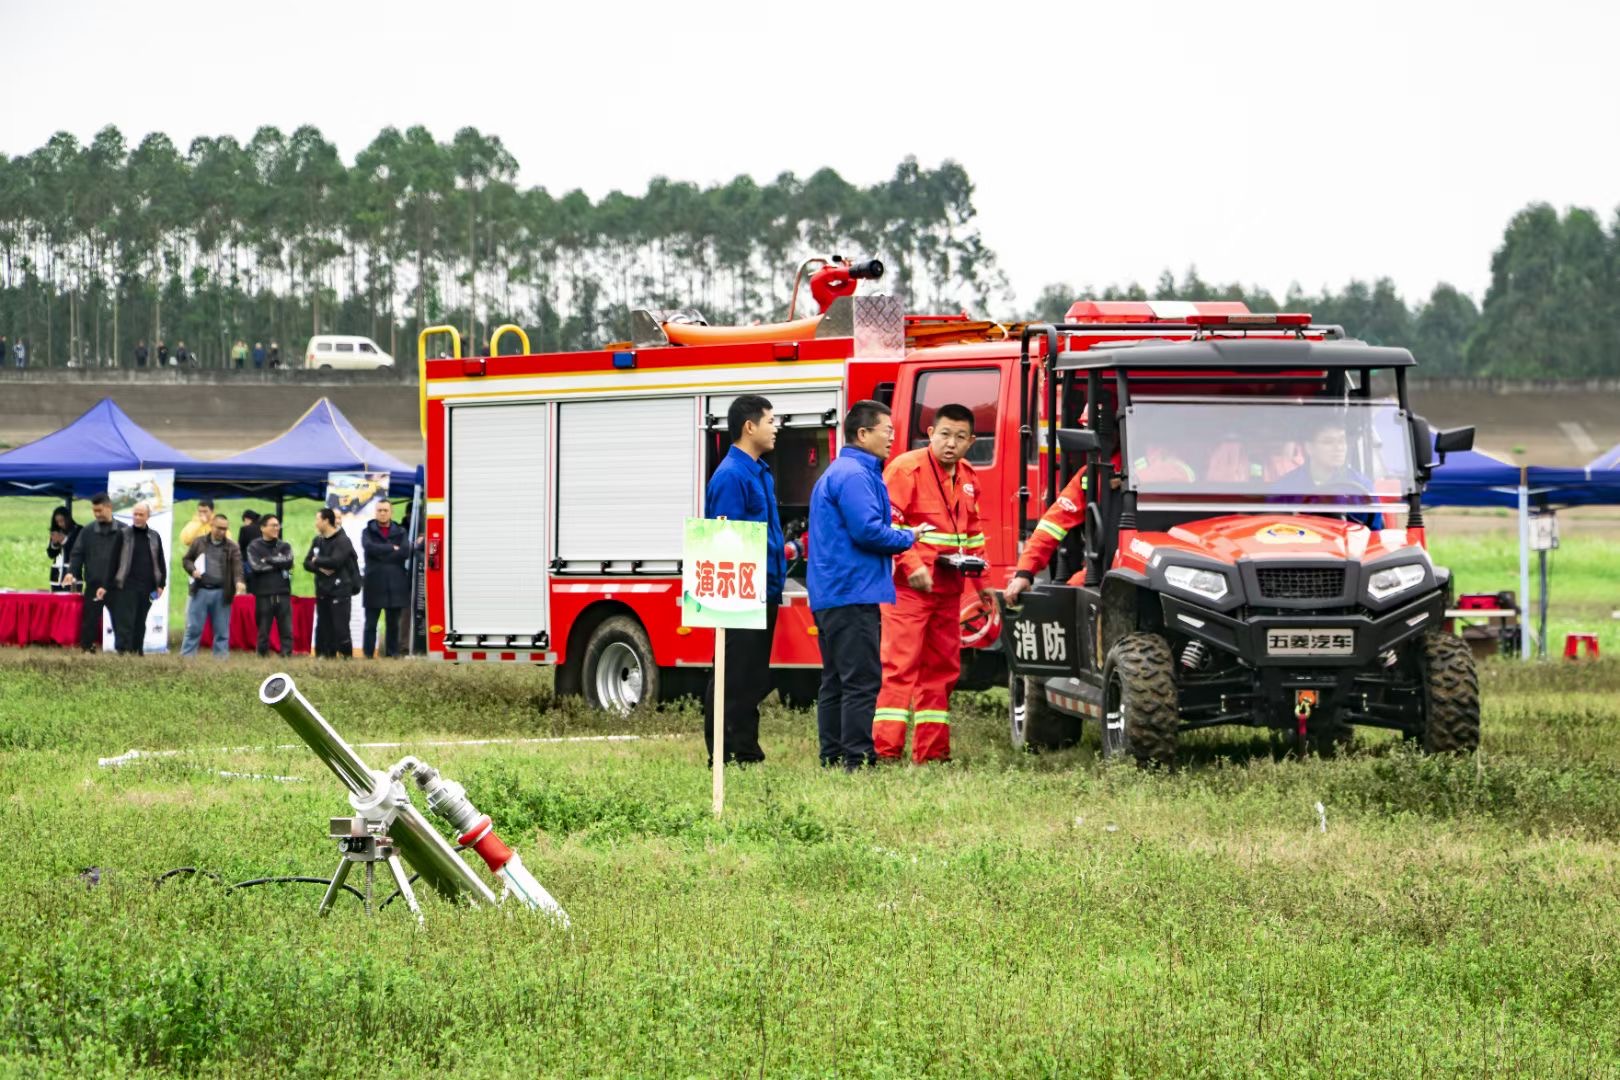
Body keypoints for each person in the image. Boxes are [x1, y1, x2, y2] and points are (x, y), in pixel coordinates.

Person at [807, 400, 920, 771]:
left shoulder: (846, 471)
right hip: (852, 591)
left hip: (834, 592)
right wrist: (908, 536)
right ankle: (858, 758)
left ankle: (833, 755)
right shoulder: (855, 475)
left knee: (837, 679)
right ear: (862, 433)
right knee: (861, 680)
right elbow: (867, 531)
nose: (891, 437)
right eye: (886, 430)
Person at [876, 403, 991, 764]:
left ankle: (932, 754)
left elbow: (973, 534)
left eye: (960, 437)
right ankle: (885, 751)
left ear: (971, 441)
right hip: (910, 590)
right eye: (944, 434)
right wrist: (912, 565)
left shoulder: (970, 477)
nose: (950, 444)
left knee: (942, 671)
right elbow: (888, 526)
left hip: (949, 587)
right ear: (930, 434)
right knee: (900, 668)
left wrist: (983, 583)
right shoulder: (904, 469)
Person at [702, 394, 784, 766]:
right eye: (770, 421)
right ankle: (722, 751)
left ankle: (746, 749)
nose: (775, 427)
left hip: (764, 587)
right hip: (741, 590)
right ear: (749, 427)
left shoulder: (758, 470)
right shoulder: (732, 475)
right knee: (732, 674)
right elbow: (725, 540)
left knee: (751, 675)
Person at [1275, 415, 1382, 528]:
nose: (1339, 448)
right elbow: (1271, 527)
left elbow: (1374, 532)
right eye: (1328, 442)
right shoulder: (1286, 487)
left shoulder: (1361, 487)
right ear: (1309, 448)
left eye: (1342, 441)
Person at [63, 493, 125, 651]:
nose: (97, 514)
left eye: (99, 510)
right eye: (94, 511)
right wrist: (71, 572)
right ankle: (86, 649)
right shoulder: (88, 531)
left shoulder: (124, 531)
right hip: (93, 583)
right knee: (89, 620)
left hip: (117, 586)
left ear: (109, 507)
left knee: (121, 621)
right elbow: (77, 553)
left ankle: (124, 653)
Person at [180, 513, 245, 658]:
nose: (222, 531)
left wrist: (239, 582)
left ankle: (220, 663)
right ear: (211, 526)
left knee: (222, 632)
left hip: (222, 593)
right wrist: (193, 570)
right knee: (193, 629)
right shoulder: (199, 542)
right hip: (200, 591)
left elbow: (237, 567)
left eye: (225, 529)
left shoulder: (232, 546)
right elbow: (186, 560)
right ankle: (185, 661)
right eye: (219, 528)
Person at [111, 501, 166, 655]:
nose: (137, 517)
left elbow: (160, 561)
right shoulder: (123, 534)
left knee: (140, 620)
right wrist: (112, 582)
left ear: (148, 516)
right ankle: (124, 650)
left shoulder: (154, 536)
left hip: (148, 587)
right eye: (135, 514)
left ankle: (137, 650)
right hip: (127, 585)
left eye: (141, 514)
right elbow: (113, 560)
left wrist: (161, 584)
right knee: (125, 620)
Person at [360, 498, 411, 659]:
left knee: (393, 624)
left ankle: (392, 653)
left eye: (385, 510)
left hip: (395, 584)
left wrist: (381, 553)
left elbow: (405, 552)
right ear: (375, 512)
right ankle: (368, 654)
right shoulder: (367, 531)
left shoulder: (401, 531)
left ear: (391, 512)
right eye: (379, 510)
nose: (382, 513)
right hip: (374, 584)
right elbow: (369, 547)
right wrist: (391, 548)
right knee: (370, 624)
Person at [306, 507, 357, 659]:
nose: (316, 523)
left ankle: (347, 656)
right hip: (322, 590)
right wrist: (320, 568)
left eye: (318, 519)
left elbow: (336, 561)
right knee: (324, 626)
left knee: (341, 627)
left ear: (326, 521)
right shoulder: (318, 540)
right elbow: (306, 563)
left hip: (340, 590)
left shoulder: (343, 540)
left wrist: (317, 561)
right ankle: (327, 656)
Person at [246, 514, 295, 657]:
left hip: (283, 592)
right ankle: (262, 655)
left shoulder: (285, 546)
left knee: (286, 628)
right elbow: (256, 567)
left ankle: (286, 654)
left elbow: (289, 561)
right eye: (273, 525)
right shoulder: (254, 546)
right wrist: (279, 565)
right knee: (263, 629)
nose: (276, 528)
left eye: (277, 525)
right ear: (262, 528)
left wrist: (267, 559)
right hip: (263, 593)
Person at [47, 505, 82, 592]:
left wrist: (64, 541)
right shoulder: (57, 532)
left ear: (68, 518)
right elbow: (51, 554)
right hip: (57, 576)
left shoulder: (79, 530)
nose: (60, 524)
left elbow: (77, 551)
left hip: (72, 575)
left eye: (62, 520)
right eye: (57, 521)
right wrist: (54, 544)